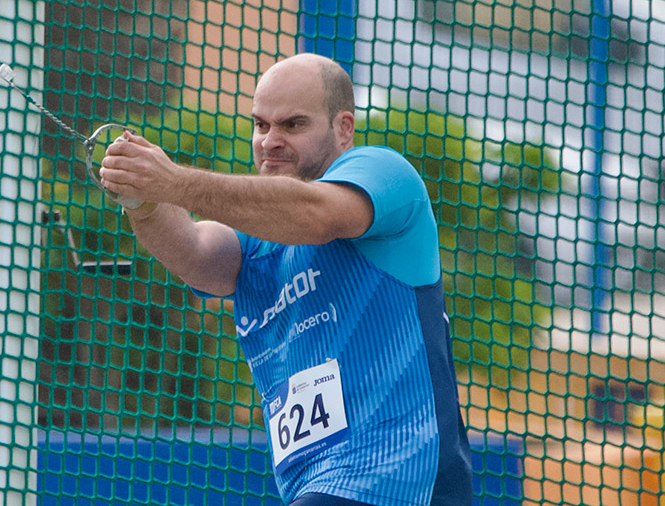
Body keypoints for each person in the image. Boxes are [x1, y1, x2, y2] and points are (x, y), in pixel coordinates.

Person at [99, 53, 473, 506]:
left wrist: (174, 181)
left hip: (395, 479)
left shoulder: (381, 172)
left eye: (293, 125)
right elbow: (195, 253)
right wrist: (142, 198)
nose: (270, 141)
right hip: (317, 485)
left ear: (343, 128)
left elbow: (314, 215)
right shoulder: (257, 235)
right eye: (260, 126)